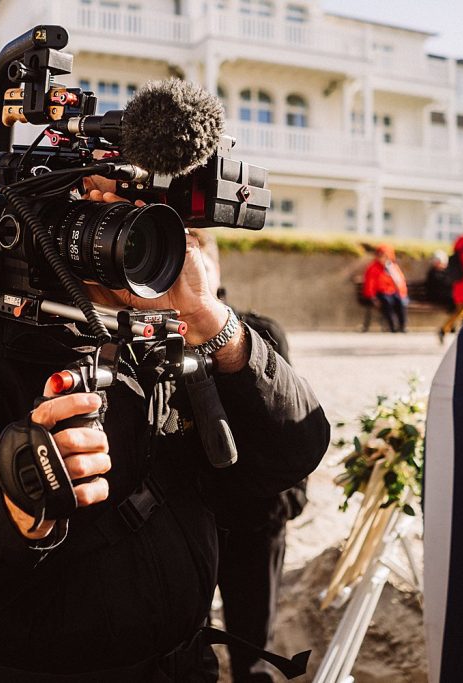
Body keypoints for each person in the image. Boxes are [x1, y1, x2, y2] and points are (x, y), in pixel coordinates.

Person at [0, 179, 330, 681]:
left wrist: (216, 326)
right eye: (112, 211)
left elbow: (297, 450)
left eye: (150, 213)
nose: (136, 236)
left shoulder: (175, 325)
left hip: (184, 665)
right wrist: (9, 511)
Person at [189, 229, 308, 682]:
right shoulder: (146, 338)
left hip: (257, 518)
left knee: (253, 648)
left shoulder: (259, 333)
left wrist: (290, 496)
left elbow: (291, 415)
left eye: (196, 259)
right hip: (188, 515)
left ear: (215, 266)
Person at [361, 244, 409, 333]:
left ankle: (402, 326)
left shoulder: (392, 267)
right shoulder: (373, 268)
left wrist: (402, 294)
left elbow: (400, 282)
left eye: (386, 256)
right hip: (380, 293)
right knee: (387, 302)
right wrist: (372, 297)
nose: (383, 258)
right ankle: (392, 326)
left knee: (400, 302)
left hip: (393, 292)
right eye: (381, 256)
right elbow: (370, 284)